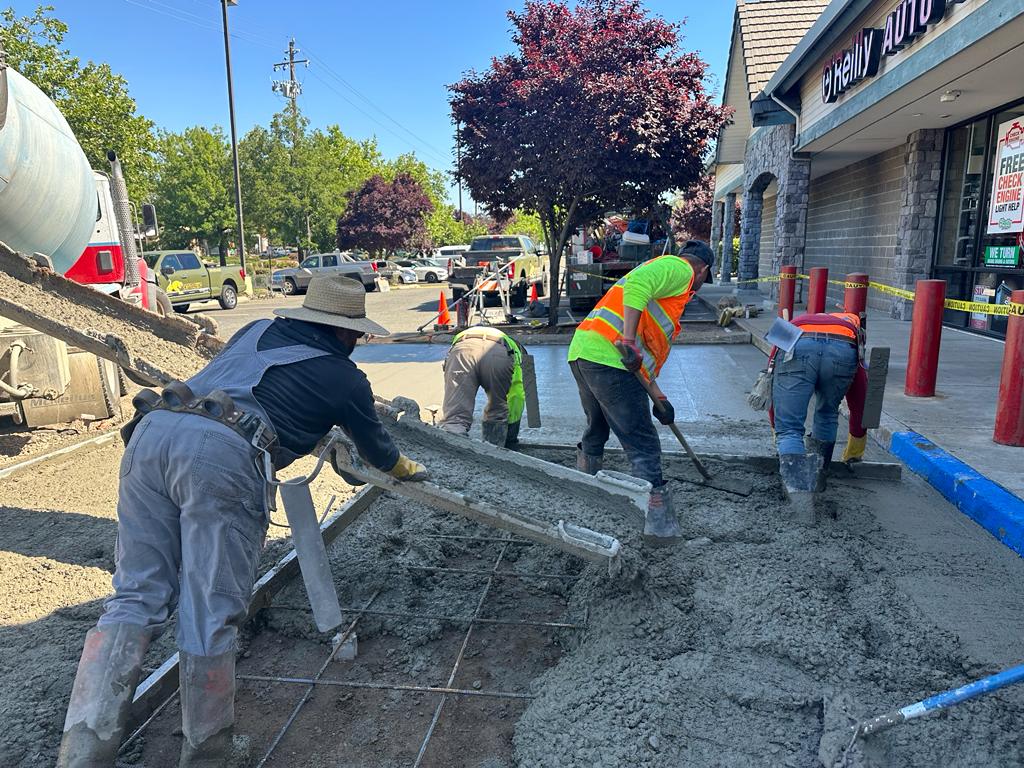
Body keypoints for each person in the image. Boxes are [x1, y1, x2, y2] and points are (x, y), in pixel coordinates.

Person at [58, 276, 427, 767]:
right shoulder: (344, 377)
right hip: (220, 455)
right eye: (356, 336)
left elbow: (262, 387)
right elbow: (377, 450)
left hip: (153, 433)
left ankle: (82, 750)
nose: (356, 344)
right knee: (211, 607)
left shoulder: (254, 328)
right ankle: (209, 752)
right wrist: (403, 467)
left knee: (135, 594)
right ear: (342, 332)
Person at [567, 240, 714, 545]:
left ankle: (584, 498)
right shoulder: (679, 268)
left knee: (596, 429)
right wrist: (629, 339)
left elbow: (643, 356)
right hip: (611, 359)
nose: (698, 288)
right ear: (703, 270)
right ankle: (659, 528)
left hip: (585, 353)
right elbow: (637, 285)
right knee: (643, 443)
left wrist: (659, 396)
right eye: (703, 280)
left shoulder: (667, 296)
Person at [768, 311, 868, 498]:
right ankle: (817, 480)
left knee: (789, 429)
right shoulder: (853, 332)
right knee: (828, 414)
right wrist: (855, 449)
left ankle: (800, 501)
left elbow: (769, 380)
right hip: (843, 350)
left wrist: (777, 430)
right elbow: (860, 399)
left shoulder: (794, 323)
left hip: (797, 344)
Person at [439, 325, 526, 448]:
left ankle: (454, 455)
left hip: (463, 349)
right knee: (497, 409)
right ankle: (494, 452)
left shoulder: (500, 337)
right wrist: (510, 437)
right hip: (498, 353)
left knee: (456, 416)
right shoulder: (515, 352)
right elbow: (517, 396)